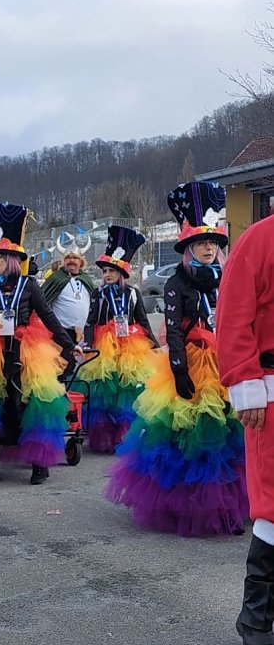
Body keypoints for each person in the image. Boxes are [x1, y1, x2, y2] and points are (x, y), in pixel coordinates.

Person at [109, 182, 248, 536]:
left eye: (213, 243)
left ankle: (230, 506)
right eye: (201, 243)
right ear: (188, 247)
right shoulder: (176, 283)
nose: (208, 248)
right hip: (191, 365)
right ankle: (188, 506)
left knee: (229, 436)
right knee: (193, 439)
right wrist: (179, 370)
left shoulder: (226, 278)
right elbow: (172, 331)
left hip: (224, 362)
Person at [0, 203, 83, 485]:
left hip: (26, 351)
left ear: (10, 258)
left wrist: (69, 345)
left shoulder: (30, 285)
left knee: (32, 405)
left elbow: (48, 317)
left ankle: (38, 463)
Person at [217, 211, 274, 645]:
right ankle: (256, 616)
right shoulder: (259, 239)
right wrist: (244, 381)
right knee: (273, 504)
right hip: (269, 392)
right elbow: (234, 314)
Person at [82, 226, 159, 452]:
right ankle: (104, 436)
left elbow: (142, 319)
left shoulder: (133, 293)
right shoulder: (98, 293)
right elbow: (91, 320)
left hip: (130, 347)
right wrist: (88, 344)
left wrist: (153, 344)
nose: (107, 275)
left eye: (111, 271)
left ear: (122, 273)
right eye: (105, 271)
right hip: (105, 346)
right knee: (105, 391)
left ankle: (124, 435)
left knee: (128, 390)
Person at [42, 235, 95, 377]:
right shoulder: (55, 278)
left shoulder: (86, 279)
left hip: (83, 335)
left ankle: (75, 396)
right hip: (61, 334)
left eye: (75, 258)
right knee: (62, 368)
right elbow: (43, 303)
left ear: (81, 261)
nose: (71, 261)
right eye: (68, 258)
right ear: (63, 261)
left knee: (79, 370)